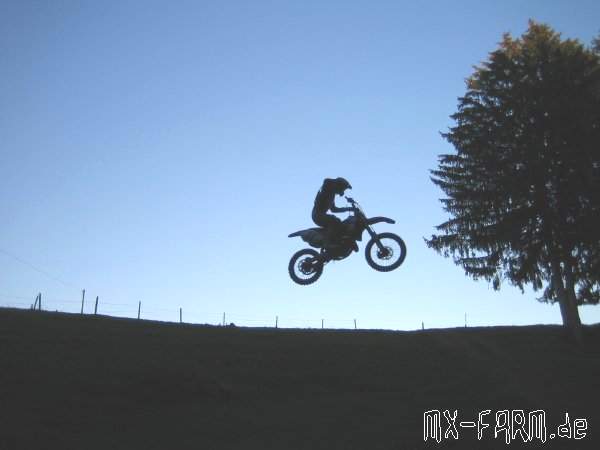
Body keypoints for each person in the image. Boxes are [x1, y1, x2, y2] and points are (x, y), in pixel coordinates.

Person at [312, 177, 353, 244]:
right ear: (339, 186)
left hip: (318, 215)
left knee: (338, 222)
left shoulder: (330, 194)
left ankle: (336, 240)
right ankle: (328, 242)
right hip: (318, 215)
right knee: (335, 221)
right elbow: (328, 183)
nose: (343, 191)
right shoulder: (328, 190)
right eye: (343, 189)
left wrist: (348, 209)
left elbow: (334, 209)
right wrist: (340, 191)